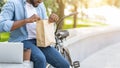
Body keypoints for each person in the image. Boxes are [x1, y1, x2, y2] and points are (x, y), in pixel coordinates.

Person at [0, 0, 70, 68]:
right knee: (40, 59)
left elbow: (44, 23)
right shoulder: (13, 3)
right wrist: (26, 20)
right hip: (22, 41)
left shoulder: (40, 5)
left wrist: (50, 21)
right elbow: (1, 24)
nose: (40, 1)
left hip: (40, 42)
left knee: (64, 65)